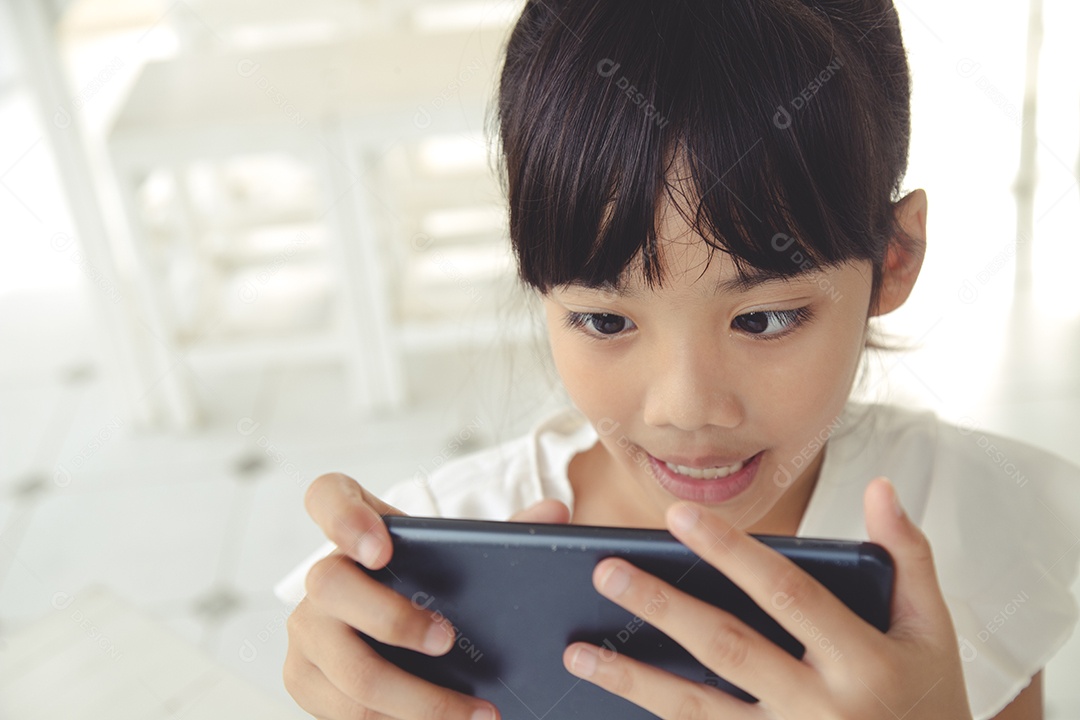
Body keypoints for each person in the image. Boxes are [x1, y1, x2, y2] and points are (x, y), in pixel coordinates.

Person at [277, 0, 1080, 718]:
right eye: (602, 319)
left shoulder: (971, 521)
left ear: (895, 260)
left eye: (764, 318)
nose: (687, 406)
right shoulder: (436, 559)